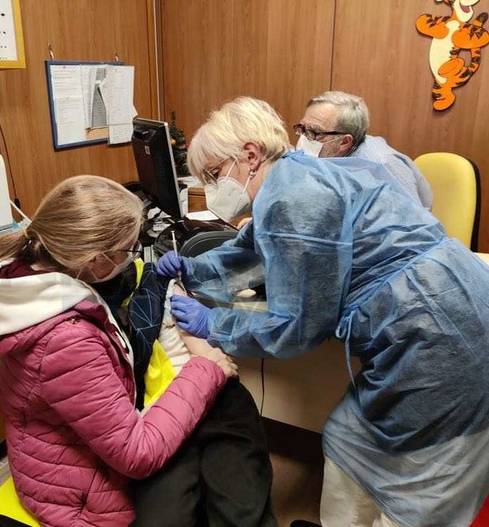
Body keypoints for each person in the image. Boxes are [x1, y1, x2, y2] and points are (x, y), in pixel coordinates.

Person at [157, 96, 489, 527]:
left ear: (251, 155)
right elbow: (260, 254)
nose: (212, 185)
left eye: (214, 174)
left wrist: (215, 323)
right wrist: (195, 271)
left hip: (439, 334)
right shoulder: (299, 177)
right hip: (455, 299)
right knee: (348, 437)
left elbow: (296, 328)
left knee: (421, 479)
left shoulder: (296, 198)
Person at [0, 175, 238, 527]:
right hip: (79, 503)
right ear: (96, 261)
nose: (131, 259)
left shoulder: (25, 279)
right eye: (127, 251)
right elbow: (138, 454)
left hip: (58, 464)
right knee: (198, 475)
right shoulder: (67, 340)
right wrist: (205, 368)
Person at [93, 259, 277, 527]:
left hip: (215, 398)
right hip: (156, 417)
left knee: (242, 512)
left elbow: (212, 357)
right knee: (164, 518)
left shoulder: (154, 281)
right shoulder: (83, 313)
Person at [295, 90, 433, 209]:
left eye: (314, 132)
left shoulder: (382, 165)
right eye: (302, 128)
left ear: (344, 142)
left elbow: (412, 226)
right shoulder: (329, 155)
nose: (304, 139)